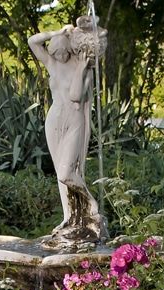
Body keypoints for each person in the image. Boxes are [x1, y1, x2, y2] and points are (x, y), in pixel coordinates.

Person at [29, 16, 109, 246]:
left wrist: (82, 69)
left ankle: (90, 204)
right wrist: (58, 31)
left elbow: (76, 96)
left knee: (67, 172)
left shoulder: (84, 67)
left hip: (74, 119)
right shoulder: (52, 63)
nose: (60, 56)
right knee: (60, 176)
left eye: (62, 52)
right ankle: (69, 217)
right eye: (56, 52)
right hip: (54, 119)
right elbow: (33, 41)